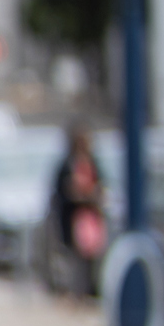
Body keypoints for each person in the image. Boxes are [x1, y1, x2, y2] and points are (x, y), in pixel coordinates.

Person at [49, 123, 106, 295]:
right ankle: (74, 292)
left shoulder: (93, 163)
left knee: (90, 257)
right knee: (73, 258)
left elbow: (101, 186)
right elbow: (60, 192)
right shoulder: (67, 164)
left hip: (90, 216)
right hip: (73, 218)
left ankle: (88, 291)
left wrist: (94, 196)